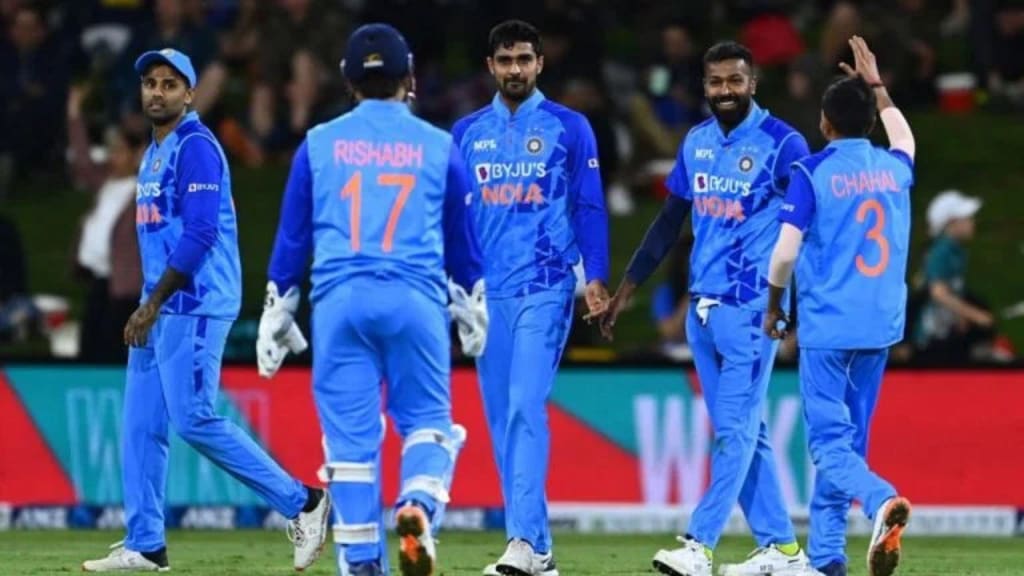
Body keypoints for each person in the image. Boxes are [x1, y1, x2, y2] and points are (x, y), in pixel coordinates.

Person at [82, 48, 330, 573]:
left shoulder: (195, 147)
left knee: (193, 418)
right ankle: (146, 543)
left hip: (194, 303)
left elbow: (200, 233)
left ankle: (303, 502)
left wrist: (152, 303)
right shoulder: (155, 150)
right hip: (161, 305)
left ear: (190, 94)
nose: (157, 92)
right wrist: (150, 303)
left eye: (169, 84)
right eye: (150, 83)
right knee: (141, 425)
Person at [257, 24, 486, 576]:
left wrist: (278, 307)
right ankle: (418, 505)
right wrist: (471, 301)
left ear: (347, 79)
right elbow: (462, 242)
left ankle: (361, 561)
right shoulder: (439, 146)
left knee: (350, 443)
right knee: (428, 420)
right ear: (410, 78)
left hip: (339, 302)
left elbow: (292, 239)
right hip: (415, 299)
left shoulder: (317, 144)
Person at [597, 42, 812, 576]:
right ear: (704, 86)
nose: (725, 91)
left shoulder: (784, 144)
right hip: (702, 312)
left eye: (735, 80)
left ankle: (699, 544)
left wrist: (792, 307)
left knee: (733, 432)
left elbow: (806, 230)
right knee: (746, 433)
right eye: (715, 82)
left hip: (753, 310)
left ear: (753, 83)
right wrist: (628, 286)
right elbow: (669, 221)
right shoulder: (696, 142)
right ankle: (783, 550)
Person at [451, 19, 610, 576]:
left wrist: (596, 276)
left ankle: (521, 540)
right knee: (502, 421)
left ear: (540, 63)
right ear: (490, 67)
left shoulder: (570, 127)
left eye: (524, 59)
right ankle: (538, 550)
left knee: (524, 405)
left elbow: (589, 205)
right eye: (505, 60)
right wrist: (452, 284)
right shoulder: (466, 133)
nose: (515, 69)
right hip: (486, 295)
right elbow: (451, 217)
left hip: (546, 286)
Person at [763, 36, 914, 576]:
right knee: (850, 445)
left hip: (829, 328)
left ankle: (881, 501)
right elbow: (905, 137)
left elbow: (784, 253)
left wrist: (775, 305)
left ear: (824, 124)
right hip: (880, 328)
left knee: (829, 446)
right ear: (870, 123)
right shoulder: (895, 169)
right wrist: (877, 85)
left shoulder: (812, 173)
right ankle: (827, 557)